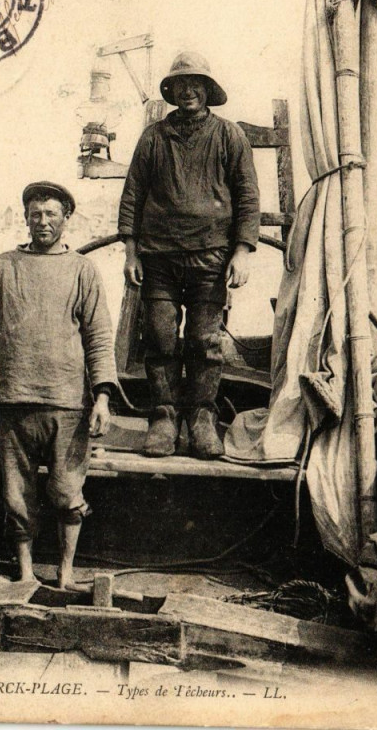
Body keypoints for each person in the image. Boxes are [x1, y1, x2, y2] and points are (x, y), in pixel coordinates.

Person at [0, 181, 117, 588]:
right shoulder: (2, 267)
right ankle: (26, 575)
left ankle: (65, 575)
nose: (42, 221)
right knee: (17, 498)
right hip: (13, 402)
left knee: (67, 493)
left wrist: (101, 397)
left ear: (66, 217)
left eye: (51, 214)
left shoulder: (82, 269)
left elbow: (99, 338)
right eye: (35, 214)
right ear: (26, 218)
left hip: (67, 404)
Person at [118, 52, 260, 459]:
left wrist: (243, 251)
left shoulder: (228, 135)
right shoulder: (153, 137)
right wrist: (131, 251)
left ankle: (201, 417)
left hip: (210, 258)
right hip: (158, 257)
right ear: (172, 91)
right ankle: (163, 416)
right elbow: (132, 194)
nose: (188, 90)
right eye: (181, 84)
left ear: (208, 90)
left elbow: (248, 196)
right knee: (161, 337)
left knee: (203, 340)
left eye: (196, 83)